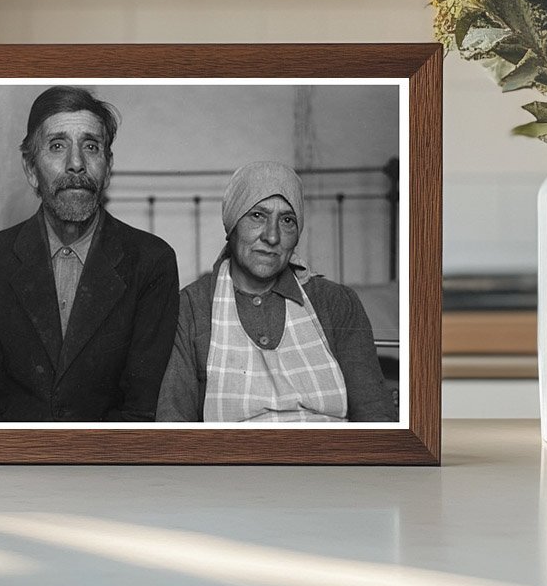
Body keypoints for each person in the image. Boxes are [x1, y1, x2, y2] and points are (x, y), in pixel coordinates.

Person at [0, 86, 179, 422]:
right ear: (31, 169)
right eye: (57, 146)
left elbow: (143, 408)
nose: (76, 164)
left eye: (91, 147)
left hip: (108, 467)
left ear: (107, 168)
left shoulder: (151, 262)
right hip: (13, 466)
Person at [156, 161, 396, 423]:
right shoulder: (192, 307)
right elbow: (174, 423)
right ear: (232, 225)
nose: (272, 236)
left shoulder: (336, 302)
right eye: (257, 216)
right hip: (233, 461)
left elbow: (375, 416)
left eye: (287, 220)